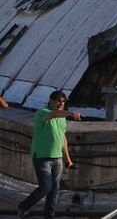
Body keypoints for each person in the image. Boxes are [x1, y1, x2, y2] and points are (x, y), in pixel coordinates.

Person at [17, 90, 82, 219]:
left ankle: (49, 216)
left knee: (54, 190)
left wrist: (68, 159)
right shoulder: (43, 112)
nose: (61, 103)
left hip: (57, 157)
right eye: (58, 101)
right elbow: (53, 114)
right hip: (42, 157)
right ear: (51, 101)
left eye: (63, 101)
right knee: (46, 187)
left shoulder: (62, 118)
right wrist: (70, 113)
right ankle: (23, 206)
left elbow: (62, 137)